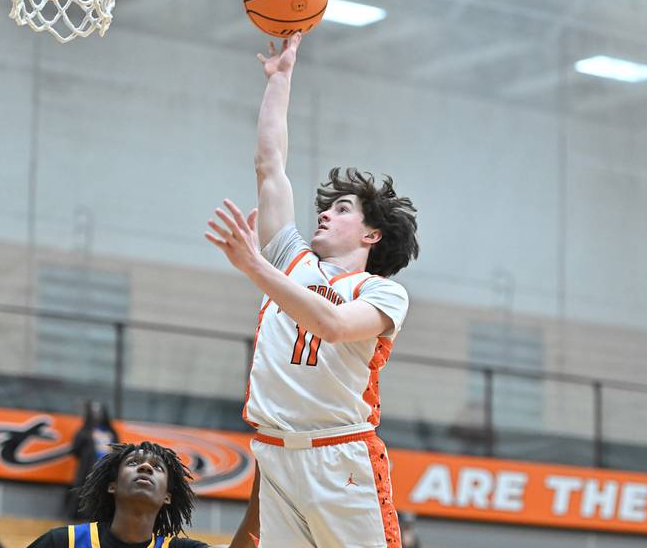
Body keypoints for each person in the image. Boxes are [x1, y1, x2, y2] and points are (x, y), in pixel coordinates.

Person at [205, 33, 419, 548]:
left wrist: (257, 269)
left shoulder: (382, 293)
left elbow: (334, 325)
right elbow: (270, 166)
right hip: (276, 453)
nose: (325, 211)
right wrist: (281, 79)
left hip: (340, 455)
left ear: (372, 235)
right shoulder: (291, 260)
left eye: (343, 208)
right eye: (328, 206)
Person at [29, 441, 243, 548]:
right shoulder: (64, 542)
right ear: (112, 486)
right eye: (133, 463)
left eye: (157, 468)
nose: (146, 468)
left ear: (167, 497)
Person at [66, 400, 120, 520]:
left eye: (99, 412)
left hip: (106, 469)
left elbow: (117, 448)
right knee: (82, 490)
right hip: (87, 468)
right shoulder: (84, 431)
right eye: (94, 412)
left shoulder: (111, 432)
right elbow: (75, 449)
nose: (97, 415)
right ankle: (77, 516)